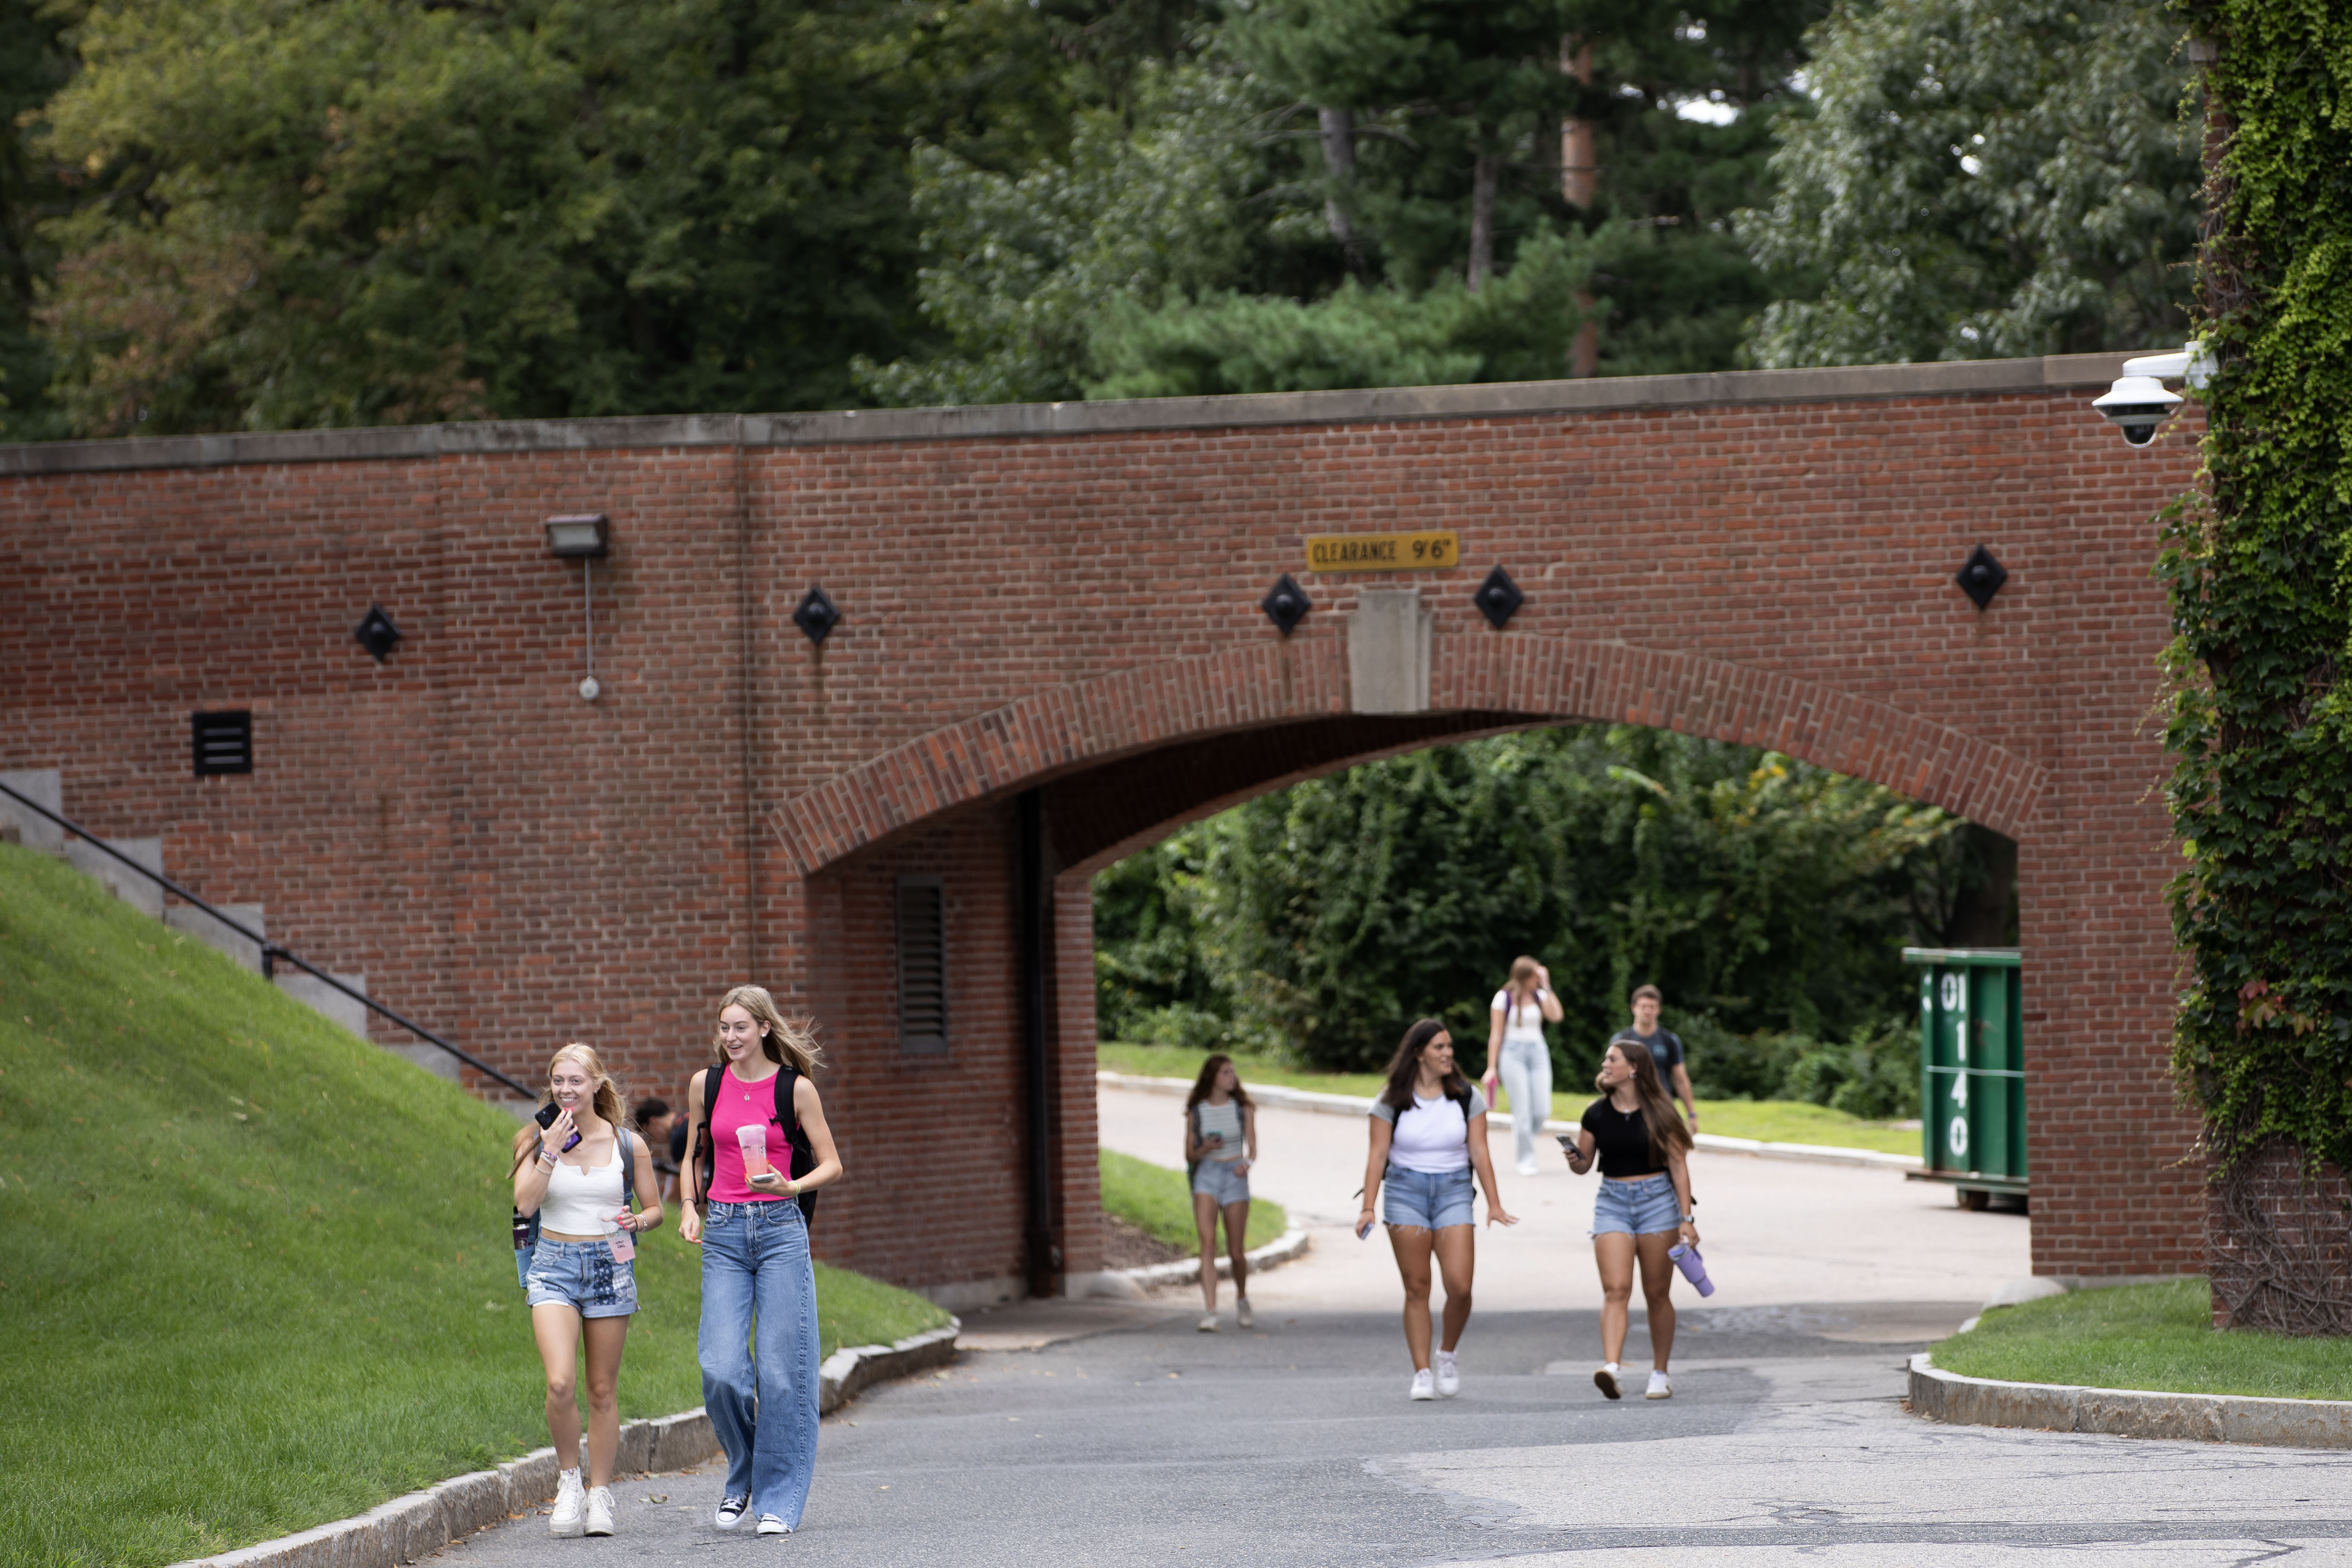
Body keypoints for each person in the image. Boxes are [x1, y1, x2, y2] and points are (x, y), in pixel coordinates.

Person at [677, 985, 843, 1537]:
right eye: (724, 1027)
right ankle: (742, 1474)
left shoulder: (795, 1089)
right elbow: (693, 1155)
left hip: (779, 1232)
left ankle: (777, 1500)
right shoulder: (709, 1083)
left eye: (740, 1027)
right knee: (720, 1369)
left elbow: (832, 1164)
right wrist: (688, 1206)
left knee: (779, 1373)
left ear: (764, 1029)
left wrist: (790, 1183)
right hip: (723, 1231)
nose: (730, 1037)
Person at [509, 1044, 665, 1538]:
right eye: (558, 1081)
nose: (566, 1090)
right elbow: (526, 1205)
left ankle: (600, 1494)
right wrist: (549, 1149)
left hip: (609, 1265)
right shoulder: (532, 1139)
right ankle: (568, 1482)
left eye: (576, 1081)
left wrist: (636, 1219)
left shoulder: (627, 1145)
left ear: (598, 1084)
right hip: (553, 1264)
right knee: (560, 1382)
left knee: (601, 1389)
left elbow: (655, 1209)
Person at [1355, 1019, 1518, 1401]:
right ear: (1419, 1053)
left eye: (1449, 1047)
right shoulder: (1390, 1099)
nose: (1448, 1054)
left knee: (1460, 1286)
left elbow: (1480, 1151)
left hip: (1454, 1191)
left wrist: (1494, 1203)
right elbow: (1378, 1154)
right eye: (1439, 1048)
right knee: (1417, 1287)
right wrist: (1367, 1207)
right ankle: (1423, 1371)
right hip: (1405, 1192)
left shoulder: (1466, 1096)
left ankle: (1447, 1353)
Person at [1561, 1040, 1698, 1401]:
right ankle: (1612, 1367)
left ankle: (1660, 1373)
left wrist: (1686, 1219)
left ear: (1633, 1067)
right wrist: (1574, 1158)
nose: (1605, 1063)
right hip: (1612, 1202)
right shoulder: (1596, 1113)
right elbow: (1584, 1165)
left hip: (1657, 1203)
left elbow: (1679, 1167)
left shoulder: (1662, 1112)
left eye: (1612, 1059)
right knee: (1616, 1288)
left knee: (1657, 1293)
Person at [1183, 1054, 1258, 1333]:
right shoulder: (1197, 1110)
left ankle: (1242, 1298)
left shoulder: (1243, 1108)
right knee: (1208, 1243)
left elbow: (1254, 1147)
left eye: (1233, 1072)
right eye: (1226, 1072)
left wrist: (1247, 1164)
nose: (1232, 1077)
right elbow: (1189, 1153)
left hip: (1234, 1175)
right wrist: (1206, 1148)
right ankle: (1211, 1310)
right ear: (1213, 1076)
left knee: (1236, 1252)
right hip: (1207, 1174)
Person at [1483, 956, 1564, 1176]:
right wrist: (1492, 1067)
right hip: (1513, 1053)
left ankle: (1522, 1137)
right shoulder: (1503, 998)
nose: (1536, 980)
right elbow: (1496, 1034)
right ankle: (1526, 1159)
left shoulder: (1539, 995)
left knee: (1541, 1109)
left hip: (1538, 1052)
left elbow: (1556, 1016)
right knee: (1522, 1110)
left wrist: (1547, 986)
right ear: (1524, 976)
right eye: (1534, 977)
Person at [1609, 984, 1699, 1134]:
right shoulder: (1622, 1041)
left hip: (1661, 1107)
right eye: (1644, 1006)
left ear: (1659, 1010)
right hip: (1630, 1107)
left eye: (1652, 1007)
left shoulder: (1669, 1041)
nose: (1648, 1011)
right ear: (1634, 1008)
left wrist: (1691, 1114)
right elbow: (1611, 1077)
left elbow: (1680, 1079)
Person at [635, 1097, 681, 1207]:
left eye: (648, 1132)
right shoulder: (685, 1120)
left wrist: (666, 1211)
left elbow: (679, 1180)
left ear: (653, 1122)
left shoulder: (679, 1135)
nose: (652, 1139)